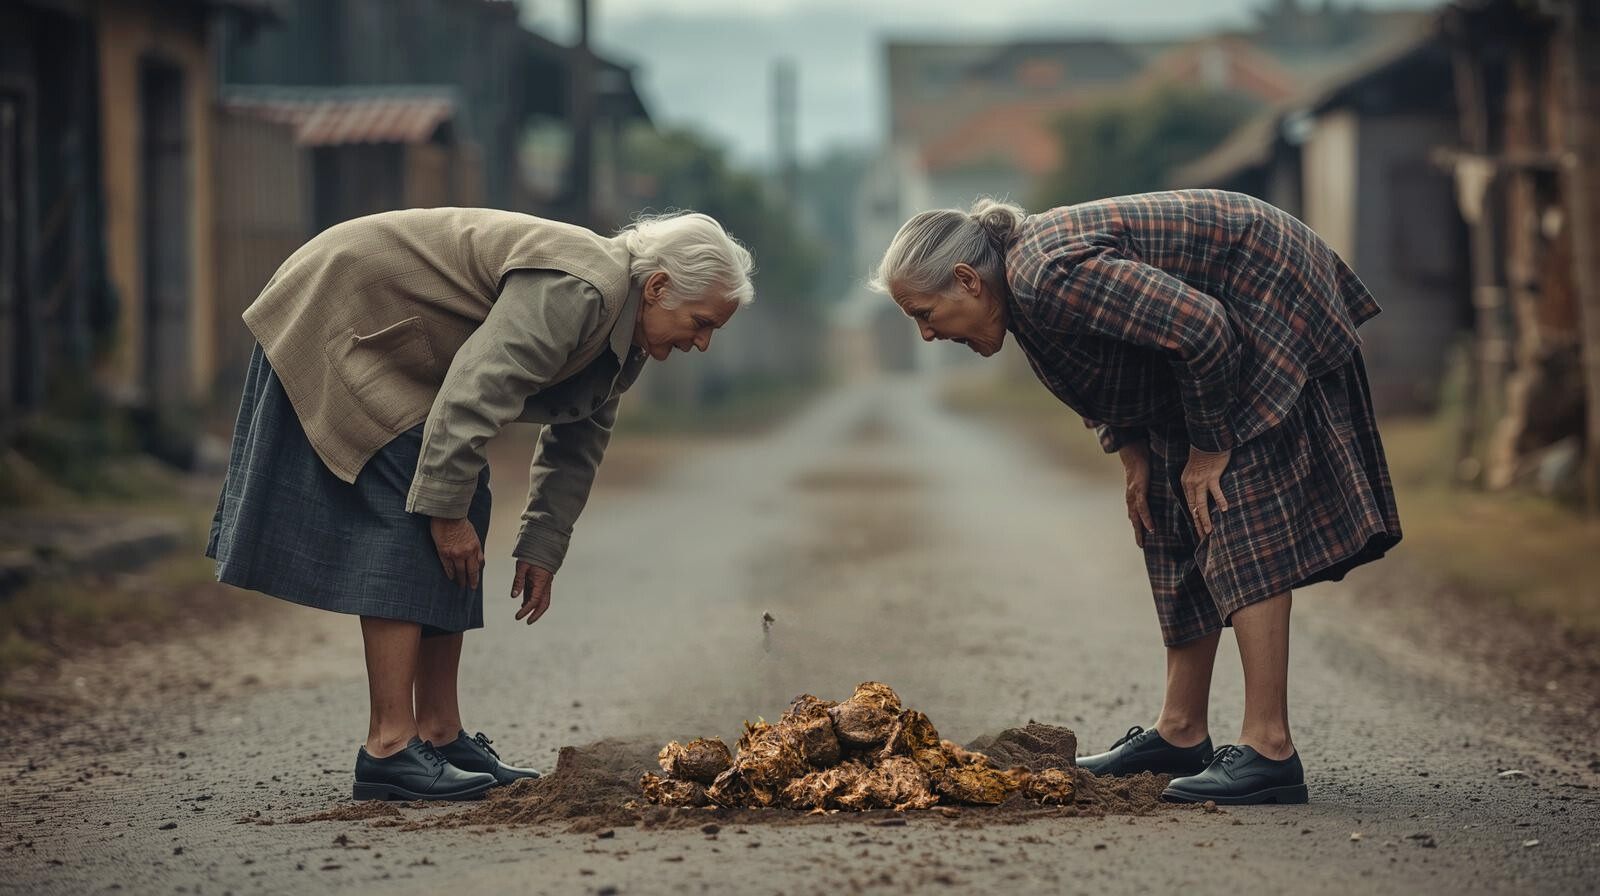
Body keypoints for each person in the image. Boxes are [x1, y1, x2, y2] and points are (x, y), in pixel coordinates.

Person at [871, 190, 1401, 805]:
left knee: (1233, 506)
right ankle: (1181, 731)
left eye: (924, 313)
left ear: (968, 281)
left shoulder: (1045, 274)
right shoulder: (1021, 295)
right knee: (1168, 514)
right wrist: (1132, 450)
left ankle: (1270, 749)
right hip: (1211, 338)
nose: (926, 334)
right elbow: (1111, 360)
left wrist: (1210, 446)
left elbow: (1204, 328)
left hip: (1265, 293)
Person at [208, 208, 754, 801]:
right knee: (413, 505)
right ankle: (389, 746)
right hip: (346, 308)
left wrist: (541, 544)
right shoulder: (582, 289)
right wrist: (445, 515)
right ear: (659, 287)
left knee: (459, 494)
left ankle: (440, 734)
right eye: (702, 323)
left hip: (397, 342)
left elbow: (580, 438)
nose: (702, 342)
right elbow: (477, 387)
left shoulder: (627, 328)